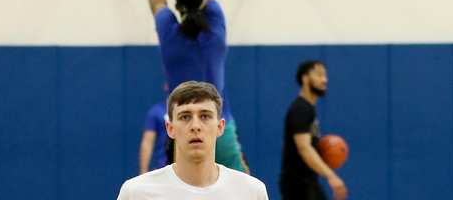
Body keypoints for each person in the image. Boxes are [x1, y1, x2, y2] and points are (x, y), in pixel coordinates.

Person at [147, 0, 249, 173]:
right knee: (243, 187)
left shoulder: (168, 32)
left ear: (178, 7)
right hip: (217, 128)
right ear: (204, 2)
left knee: (180, 189)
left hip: (181, 131)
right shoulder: (215, 30)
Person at [118, 81, 268, 200]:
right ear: (170, 128)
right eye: (185, 117)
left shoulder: (251, 192)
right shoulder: (137, 193)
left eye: (205, 116)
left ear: (220, 127)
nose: (195, 126)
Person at [279, 60, 347, 200]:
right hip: (298, 185)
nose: (324, 80)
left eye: (325, 75)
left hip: (307, 181)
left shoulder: (308, 108)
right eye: (319, 75)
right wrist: (331, 175)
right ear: (305, 79)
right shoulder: (300, 109)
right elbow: (304, 147)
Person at [140, 97, 173, 173]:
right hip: (163, 167)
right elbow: (148, 142)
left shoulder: (193, 111)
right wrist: (143, 172)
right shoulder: (157, 111)